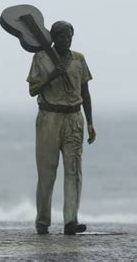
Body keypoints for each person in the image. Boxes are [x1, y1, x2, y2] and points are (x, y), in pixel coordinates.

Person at [27, 21, 96, 235]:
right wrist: (51, 76)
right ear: (54, 38)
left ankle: (70, 221)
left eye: (70, 37)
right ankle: (42, 220)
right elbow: (32, 90)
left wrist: (91, 122)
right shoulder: (41, 58)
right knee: (47, 172)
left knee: (74, 171)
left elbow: (85, 92)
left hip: (74, 118)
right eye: (62, 37)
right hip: (49, 117)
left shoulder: (79, 59)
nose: (67, 41)